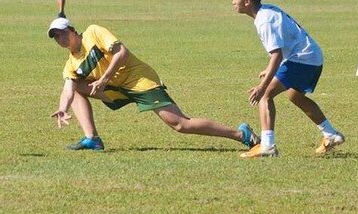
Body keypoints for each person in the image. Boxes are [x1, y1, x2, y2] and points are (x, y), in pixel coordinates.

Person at [47, 17, 260, 151]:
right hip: (115, 89)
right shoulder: (70, 64)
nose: (61, 39)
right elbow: (68, 88)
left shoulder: (93, 32)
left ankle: (242, 134)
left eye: (63, 33)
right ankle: (91, 139)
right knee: (74, 87)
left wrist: (103, 79)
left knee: (180, 124)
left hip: (138, 79)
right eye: (56, 38)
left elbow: (122, 52)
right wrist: (62, 108)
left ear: (73, 30)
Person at [231, 0, 345, 158]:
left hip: (302, 60)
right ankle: (330, 134)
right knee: (296, 96)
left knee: (265, 96)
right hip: (311, 57)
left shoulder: (264, 21)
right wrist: (271, 70)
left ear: (247, 1)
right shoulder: (267, 10)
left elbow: (276, 55)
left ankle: (267, 146)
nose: (233, 2)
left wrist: (263, 86)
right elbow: (283, 48)